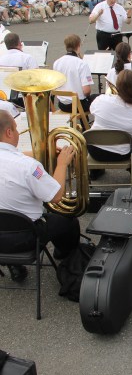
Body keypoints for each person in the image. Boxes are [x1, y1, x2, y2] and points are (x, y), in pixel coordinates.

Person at [0, 110, 80, 282]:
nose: (17, 132)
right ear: (9, 132)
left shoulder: (24, 163)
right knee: (68, 219)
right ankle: (67, 258)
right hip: (26, 237)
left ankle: (12, 263)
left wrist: (41, 152)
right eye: (16, 128)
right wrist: (62, 164)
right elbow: (56, 196)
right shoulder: (28, 166)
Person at [89, 70, 132, 181]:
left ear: (117, 86)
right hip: (122, 154)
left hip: (95, 151)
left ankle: (94, 172)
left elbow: (92, 110)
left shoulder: (101, 100)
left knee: (98, 125)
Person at [53, 34, 94, 113]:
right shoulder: (81, 64)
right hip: (78, 105)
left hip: (62, 104)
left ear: (66, 46)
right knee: (99, 98)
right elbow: (86, 91)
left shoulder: (57, 62)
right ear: (78, 45)